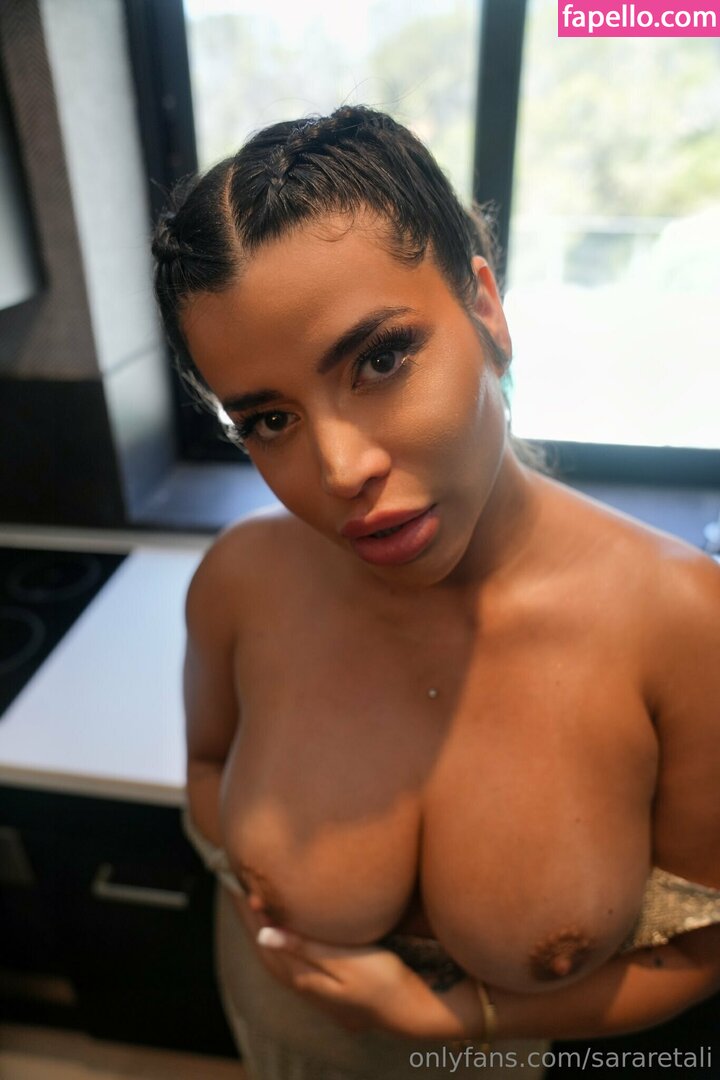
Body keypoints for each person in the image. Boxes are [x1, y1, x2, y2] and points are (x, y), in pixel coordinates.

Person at [151, 106, 720, 1079]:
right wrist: (261, 892)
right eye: (270, 420)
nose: (341, 470)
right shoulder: (239, 582)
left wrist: (454, 1023)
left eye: (380, 360)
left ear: (486, 309)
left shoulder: (683, 623)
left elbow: (707, 946)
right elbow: (206, 766)